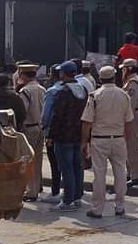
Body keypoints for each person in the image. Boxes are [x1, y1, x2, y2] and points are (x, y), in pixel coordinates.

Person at [82, 66, 133, 219]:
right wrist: (126, 140)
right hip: (118, 138)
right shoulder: (124, 95)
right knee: (120, 173)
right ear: (114, 77)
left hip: (99, 139)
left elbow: (87, 122)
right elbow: (129, 122)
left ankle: (97, 209)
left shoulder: (94, 96)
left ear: (100, 79)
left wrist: (83, 142)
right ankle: (120, 206)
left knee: (99, 175)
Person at [47, 61, 88, 211]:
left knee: (66, 168)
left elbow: (57, 116)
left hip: (63, 135)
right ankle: (77, 197)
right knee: (78, 167)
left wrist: (51, 135)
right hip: (79, 134)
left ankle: (67, 200)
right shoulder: (83, 90)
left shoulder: (63, 92)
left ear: (63, 73)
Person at [17, 66, 47, 202]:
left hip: (29, 128)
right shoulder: (42, 88)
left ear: (24, 75)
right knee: (38, 158)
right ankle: (38, 185)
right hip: (40, 127)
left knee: (29, 159)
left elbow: (22, 111)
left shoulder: (25, 91)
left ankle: (31, 191)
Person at [40, 65, 64, 204]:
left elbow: (45, 116)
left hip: (52, 132)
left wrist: (43, 128)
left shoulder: (52, 91)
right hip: (70, 131)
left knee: (54, 163)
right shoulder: (76, 88)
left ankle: (55, 192)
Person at [120, 58, 138, 186]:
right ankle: (130, 173)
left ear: (129, 69)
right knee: (128, 146)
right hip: (132, 115)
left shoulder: (133, 82)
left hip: (132, 116)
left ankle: (136, 175)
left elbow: (130, 103)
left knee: (132, 146)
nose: (123, 71)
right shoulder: (133, 80)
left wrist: (125, 119)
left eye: (124, 69)